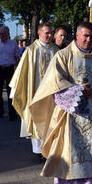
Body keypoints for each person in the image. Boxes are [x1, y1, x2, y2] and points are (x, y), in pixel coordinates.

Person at [29, 22, 92, 184]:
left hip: (90, 115)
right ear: (77, 36)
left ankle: (86, 183)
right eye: (85, 36)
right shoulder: (63, 56)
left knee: (86, 152)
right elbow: (54, 84)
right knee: (68, 151)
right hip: (69, 116)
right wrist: (79, 91)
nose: (89, 40)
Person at [9, 23, 59, 157]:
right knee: (36, 120)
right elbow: (22, 74)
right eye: (47, 33)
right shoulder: (30, 51)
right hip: (35, 93)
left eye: (51, 33)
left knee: (51, 120)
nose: (49, 35)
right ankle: (39, 152)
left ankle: (50, 150)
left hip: (52, 94)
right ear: (39, 33)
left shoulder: (56, 50)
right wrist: (16, 91)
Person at [0, 26, 21, 120]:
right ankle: (0, 111)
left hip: (9, 69)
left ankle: (12, 113)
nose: (2, 35)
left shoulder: (13, 43)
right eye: (0, 34)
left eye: (3, 34)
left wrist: (17, 72)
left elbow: (17, 58)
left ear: (8, 34)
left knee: (11, 92)